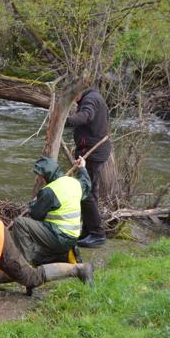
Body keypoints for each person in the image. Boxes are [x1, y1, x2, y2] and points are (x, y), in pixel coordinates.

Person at [12, 156, 91, 266]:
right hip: (73, 237)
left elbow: (35, 215)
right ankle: (64, 255)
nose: (39, 179)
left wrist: (33, 203)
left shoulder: (49, 191)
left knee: (20, 223)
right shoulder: (73, 183)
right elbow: (86, 184)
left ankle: (27, 264)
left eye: (39, 176)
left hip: (59, 237)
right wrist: (82, 168)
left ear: (45, 176)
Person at [66, 87, 112, 248]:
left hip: (92, 152)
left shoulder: (90, 99)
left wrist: (66, 121)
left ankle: (97, 234)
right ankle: (87, 232)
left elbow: (86, 115)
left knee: (86, 192)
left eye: (72, 96)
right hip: (94, 150)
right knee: (90, 192)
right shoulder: (93, 96)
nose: (72, 100)